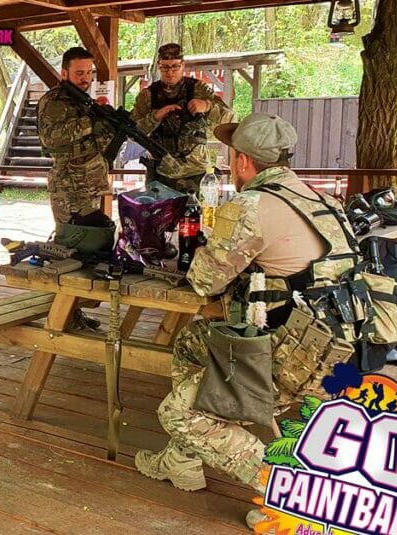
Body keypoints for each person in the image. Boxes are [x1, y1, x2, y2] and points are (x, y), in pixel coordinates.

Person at [131, 114, 358, 531]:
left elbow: (204, 281)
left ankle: (290, 495)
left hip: (300, 359)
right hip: (341, 346)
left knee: (179, 414)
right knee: (194, 341)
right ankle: (183, 459)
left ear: (242, 162)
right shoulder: (318, 198)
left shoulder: (250, 205)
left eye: (232, 155)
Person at [37, 46, 118, 332]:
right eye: (79, 72)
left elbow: (93, 142)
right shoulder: (54, 101)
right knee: (67, 251)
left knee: (86, 251)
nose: (85, 78)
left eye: (89, 72)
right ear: (64, 73)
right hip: (68, 187)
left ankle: (73, 312)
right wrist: (91, 122)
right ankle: (62, 317)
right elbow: (51, 138)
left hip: (88, 186)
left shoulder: (85, 102)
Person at [131, 43, 235, 193]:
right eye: (165, 67)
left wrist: (207, 106)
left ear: (183, 65)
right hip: (161, 174)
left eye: (175, 66)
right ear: (159, 66)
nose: (170, 72)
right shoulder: (147, 96)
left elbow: (230, 119)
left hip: (196, 173)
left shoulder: (198, 89)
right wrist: (155, 117)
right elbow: (133, 132)